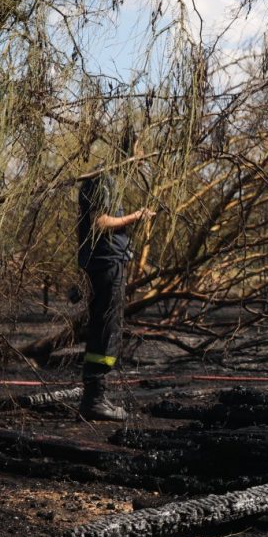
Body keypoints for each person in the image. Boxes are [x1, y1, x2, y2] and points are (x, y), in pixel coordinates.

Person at [76, 147, 154, 421]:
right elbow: (99, 222)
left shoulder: (106, 180)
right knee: (105, 328)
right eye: (141, 154)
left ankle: (96, 396)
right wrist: (135, 217)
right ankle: (95, 400)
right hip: (105, 264)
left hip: (107, 262)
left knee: (106, 327)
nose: (143, 161)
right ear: (128, 152)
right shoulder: (103, 181)